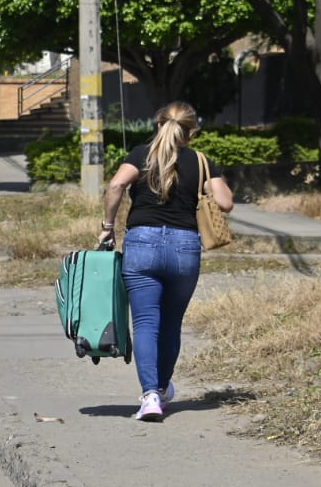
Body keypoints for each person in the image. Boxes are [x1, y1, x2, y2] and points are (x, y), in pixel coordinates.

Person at [99, 101, 233, 423]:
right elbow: (226, 203)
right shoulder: (202, 162)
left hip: (142, 243)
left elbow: (116, 185)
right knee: (171, 324)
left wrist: (107, 227)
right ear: (191, 132)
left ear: (158, 124)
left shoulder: (140, 155)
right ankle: (161, 386)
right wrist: (204, 184)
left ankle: (150, 397)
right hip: (184, 247)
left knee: (146, 323)